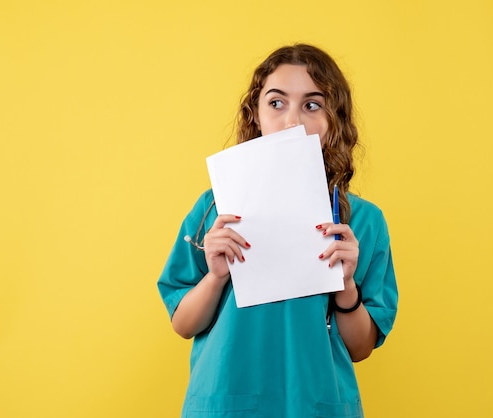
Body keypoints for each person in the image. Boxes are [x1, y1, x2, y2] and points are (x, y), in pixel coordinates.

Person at [157, 43, 398, 418]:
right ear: (256, 115)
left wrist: (347, 286)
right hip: (224, 403)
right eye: (276, 103)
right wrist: (216, 277)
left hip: (313, 405)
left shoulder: (363, 222)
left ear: (336, 119)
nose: (292, 122)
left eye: (312, 105)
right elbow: (182, 323)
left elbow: (360, 347)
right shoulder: (214, 209)